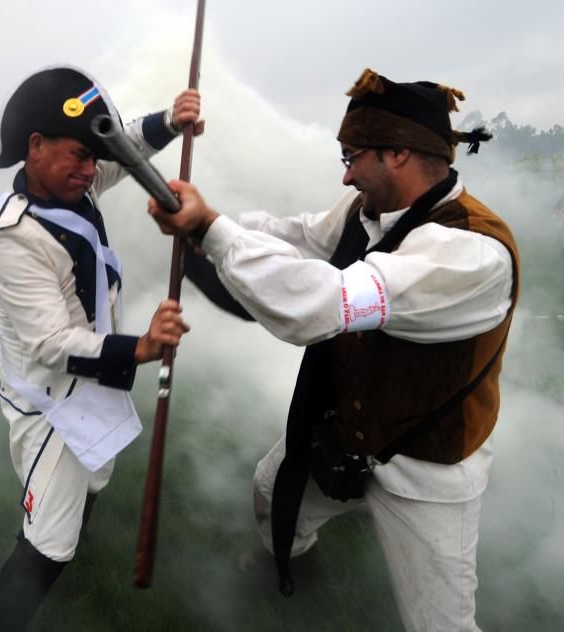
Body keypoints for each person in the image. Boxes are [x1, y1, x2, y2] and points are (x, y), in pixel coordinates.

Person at [148, 68, 518, 632]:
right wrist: (205, 222)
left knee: (441, 626)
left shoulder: (473, 253)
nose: (346, 177)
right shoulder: (365, 214)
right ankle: (300, 566)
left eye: (352, 157)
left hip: (428, 472)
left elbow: (325, 302)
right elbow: (296, 236)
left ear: (396, 153)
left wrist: (216, 232)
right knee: (273, 493)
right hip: (347, 431)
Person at [0, 65, 201, 631]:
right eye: (78, 154)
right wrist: (143, 347)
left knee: (95, 480)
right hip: (51, 406)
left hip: (92, 380)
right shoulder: (12, 236)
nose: (90, 169)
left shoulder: (76, 182)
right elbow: (51, 345)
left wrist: (171, 121)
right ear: (36, 146)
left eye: (91, 158)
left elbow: (123, 152)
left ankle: (73, 518)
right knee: (44, 551)